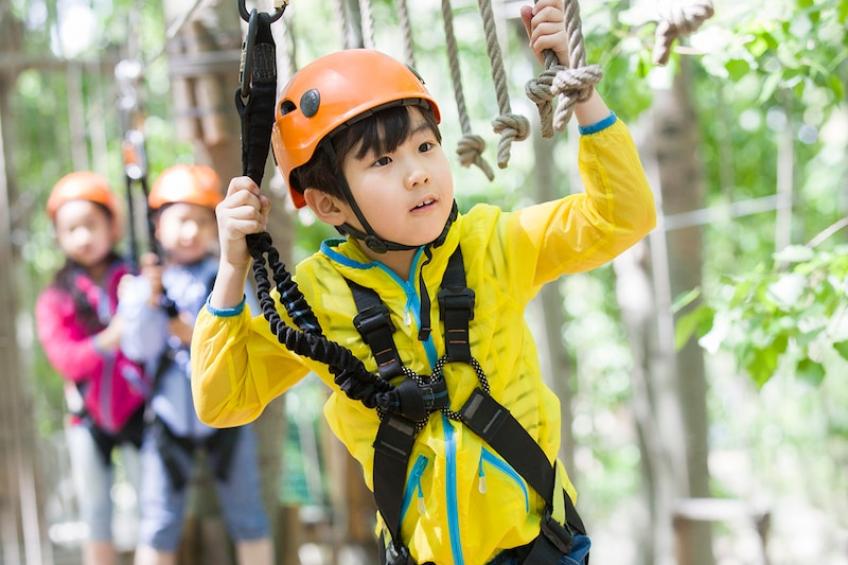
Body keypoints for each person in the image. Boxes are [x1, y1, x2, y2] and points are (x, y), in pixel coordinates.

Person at [191, 1, 656, 563]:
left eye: (425, 146)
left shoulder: (494, 244)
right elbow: (222, 401)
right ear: (328, 204)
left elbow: (621, 216)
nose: (417, 173)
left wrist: (581, 92)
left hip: (539, 549)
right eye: (382, 162)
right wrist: (232, 269)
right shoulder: (314, 301)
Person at [117, 165, 273, 565]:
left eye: (201, 221)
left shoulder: (226, 276)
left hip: (229, 419)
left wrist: (195, 334)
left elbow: (250, 337)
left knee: (249, 517)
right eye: (181, 220)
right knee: (158, 522)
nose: (190, 231)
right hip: (168, 418)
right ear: (158, 226)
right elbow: (137, 348)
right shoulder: (147, 282)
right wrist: (146, 302)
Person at [36, 171, 149, 565]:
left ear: (111, 226)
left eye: (91, 224)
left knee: (153, 511)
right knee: (96, 516)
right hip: (86, 418)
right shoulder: (55, 297)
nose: (83, 237)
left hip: (140, 411)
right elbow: (65, 359)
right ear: (58, 236)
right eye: (71, 229)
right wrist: (108, 339)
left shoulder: (136, 277)